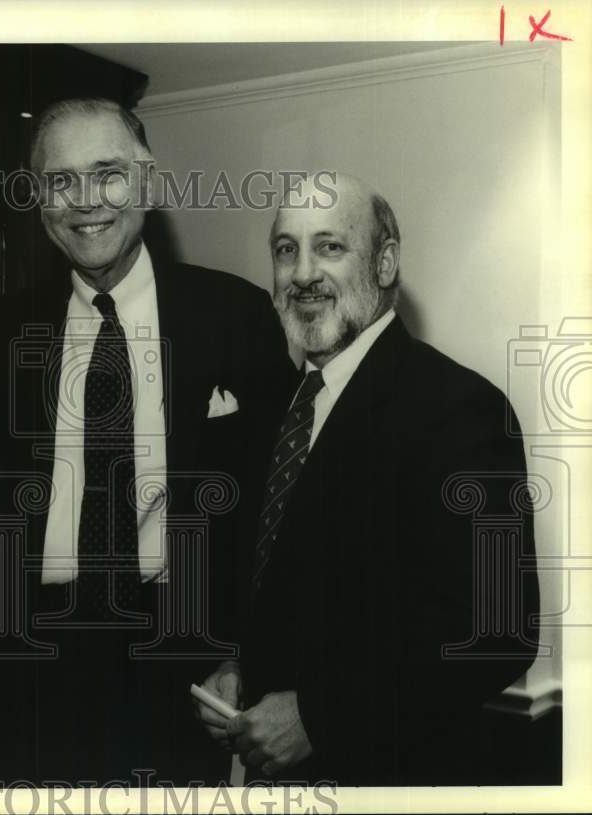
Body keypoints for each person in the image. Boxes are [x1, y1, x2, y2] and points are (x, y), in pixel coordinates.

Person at [0, 98, 296, 786]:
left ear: (146, 183)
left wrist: (247, 656)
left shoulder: (236, 316)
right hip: (27, 658)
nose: (85, 201)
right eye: (60, 180)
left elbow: (279, 510)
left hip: (180, 656)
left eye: (108, 173)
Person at [195, 172, 541, 785]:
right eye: (285, 249)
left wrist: (319, 717)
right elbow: (280, 585)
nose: (302, 274)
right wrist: (237, 661)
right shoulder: (276, 404)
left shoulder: (460, 409)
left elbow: (496, 634)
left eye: (329, 247)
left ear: (384, 264)